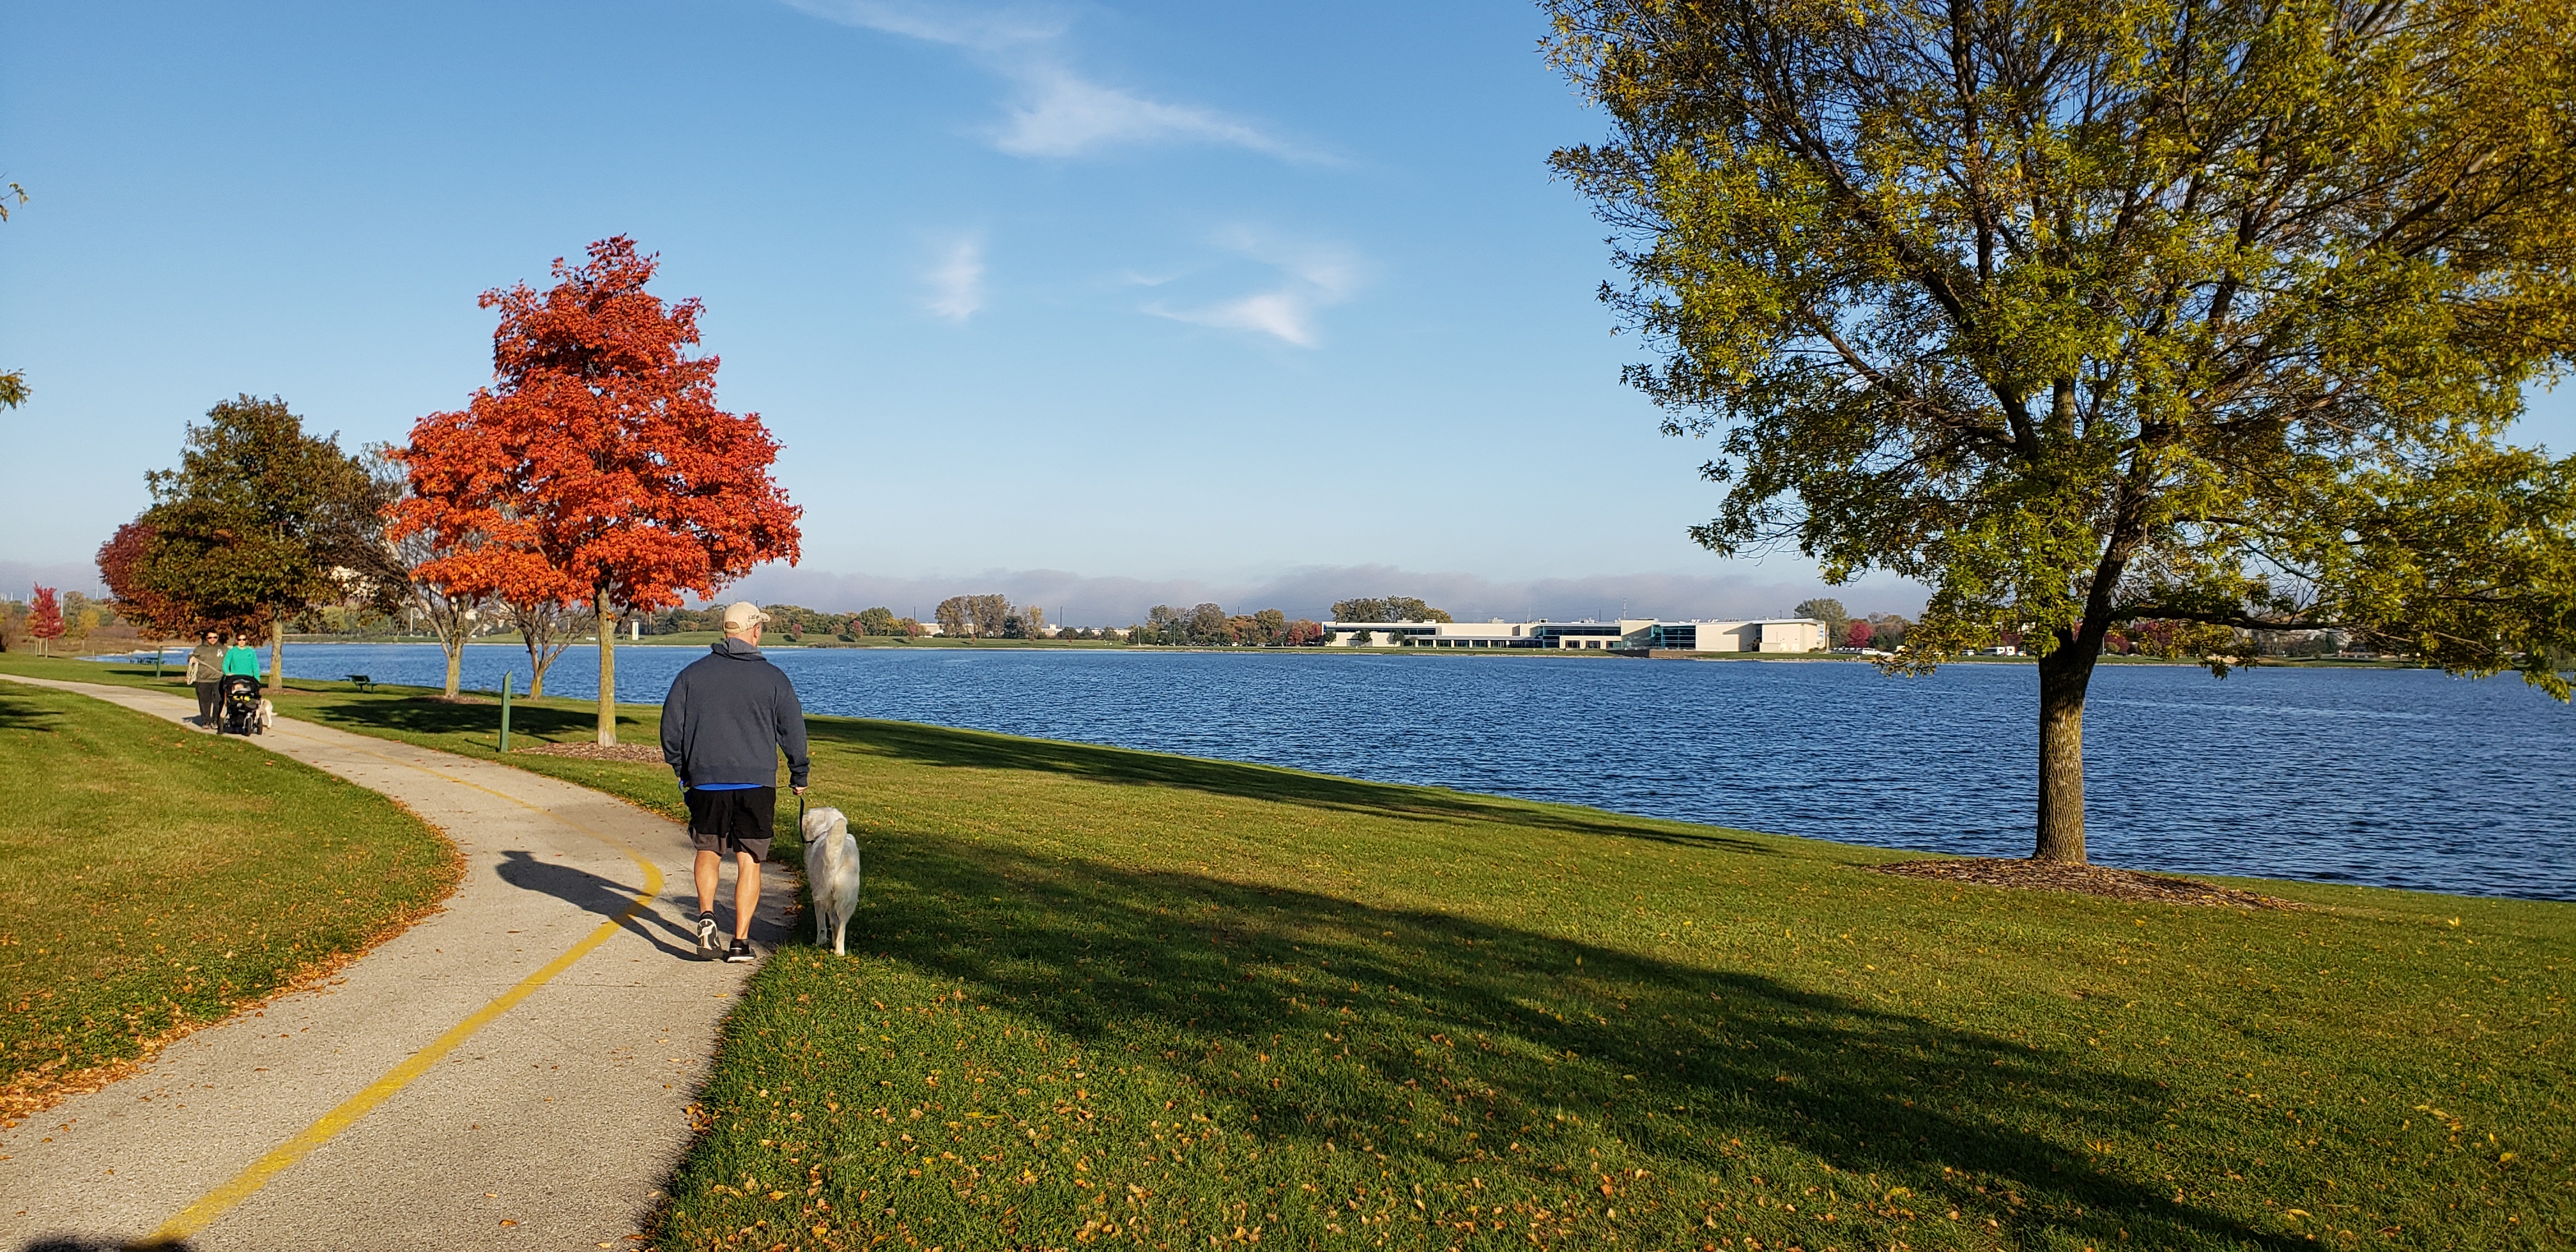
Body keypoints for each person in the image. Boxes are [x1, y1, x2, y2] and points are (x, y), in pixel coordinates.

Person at [660, 602, 809, 963]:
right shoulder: (774, 678)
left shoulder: (691, 676)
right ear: (755, 630)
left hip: (706, 782)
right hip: (756, 783)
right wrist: (799, 773)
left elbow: (670, 730)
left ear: (725, 632)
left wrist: (683, 769)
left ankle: (707, 915)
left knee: (708, 850)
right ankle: (740, 941)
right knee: (749, 860)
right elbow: (793, 732)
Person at [185, 630, 226, 724]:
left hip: (219, 679)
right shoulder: (200, 649)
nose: (213, 639)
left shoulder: (223, 649)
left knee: (219, 701)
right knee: (205, 703)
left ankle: (215, 720)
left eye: (215, 637)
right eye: (210, 638)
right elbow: (191, 656)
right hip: (203, 680)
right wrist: (192, 658)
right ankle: (206, 721)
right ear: (206, 638)